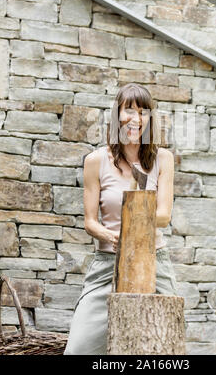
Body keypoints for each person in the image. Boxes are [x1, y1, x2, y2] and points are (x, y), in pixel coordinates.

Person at [63, 82, 179, 355]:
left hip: (154, 263)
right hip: (107, 265)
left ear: (150, 118)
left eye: (143, 111)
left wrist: (133, 233)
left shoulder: (163, 159)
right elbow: (90, 221)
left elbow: (163, 216)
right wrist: (109, 236)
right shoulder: (95, 160)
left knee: (165, 350)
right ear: (117, 115)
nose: (135, 118)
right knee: (79, 350)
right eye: (129, 110)